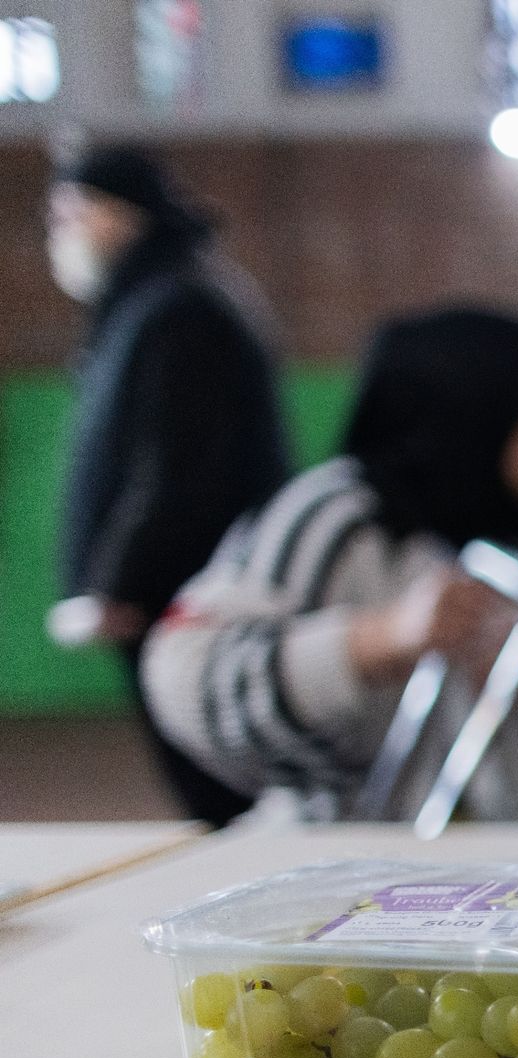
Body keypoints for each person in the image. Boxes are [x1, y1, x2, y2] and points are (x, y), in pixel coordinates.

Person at [142, 307, 518, 821]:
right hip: (359, 867)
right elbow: (181, 676)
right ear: (480, 412)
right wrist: (376, 640)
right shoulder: (335, 518)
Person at [45, 145, 291, 825]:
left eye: (73, 212)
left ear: (121, 216)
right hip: (170, 588)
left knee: (221, 786)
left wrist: (126, 580)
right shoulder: (149, 303)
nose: (58, 231)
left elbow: (179, 467)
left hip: (185, 591)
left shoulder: (180, 307)